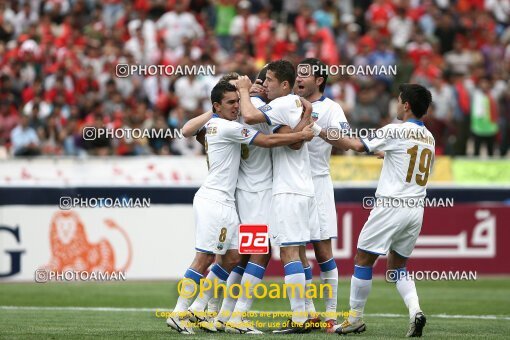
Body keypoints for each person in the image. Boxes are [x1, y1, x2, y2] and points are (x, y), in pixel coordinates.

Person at [167, 81, 314, 335]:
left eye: (237, 101)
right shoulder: (228, 126)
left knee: (234, 256)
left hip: (226, 201)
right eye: (231, 102)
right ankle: (181, 312)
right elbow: (267, 141)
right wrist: (302, 134)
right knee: (208, 258)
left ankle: (203, 309)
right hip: (217, 200)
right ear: (217, 106)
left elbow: (190, 129)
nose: (237, 107)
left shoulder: (216, 124)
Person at [317, 83, 434, 337]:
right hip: (416, 208)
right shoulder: (429, 137)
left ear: (406, 105)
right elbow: (406, 158)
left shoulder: (395, 130)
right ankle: (416, 311)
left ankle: (355, 319)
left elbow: (357, 146)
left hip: (391, 205)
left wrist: (317, 130)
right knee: (396, 267)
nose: (396, 104)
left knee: (362, 258)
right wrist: (387, 154)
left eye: (399, 100)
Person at [236, 59, 319, 334]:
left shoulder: (283, 103)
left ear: (284, 84)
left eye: (270, 80)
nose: (266, 85)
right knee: (293, 252)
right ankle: (308, 314)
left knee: (286, 252)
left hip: (285, 189)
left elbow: (249, 116)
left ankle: (298, 319)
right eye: (265, 80)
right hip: (301, 187)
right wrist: (306, 117)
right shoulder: (296, 104)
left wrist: (246, 91)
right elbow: (296, 139)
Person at [291, 57, 350, 332]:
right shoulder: (289, 103)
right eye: (297, 74)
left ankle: (330, 316)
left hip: (318, 182)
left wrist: (318, 130)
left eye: (305, 75)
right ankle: (309, 312)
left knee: (323, 251)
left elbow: (344, 141)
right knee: (296, 249)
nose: (299, 79)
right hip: (292, 183)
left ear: (319, 80)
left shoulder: (331, 108)